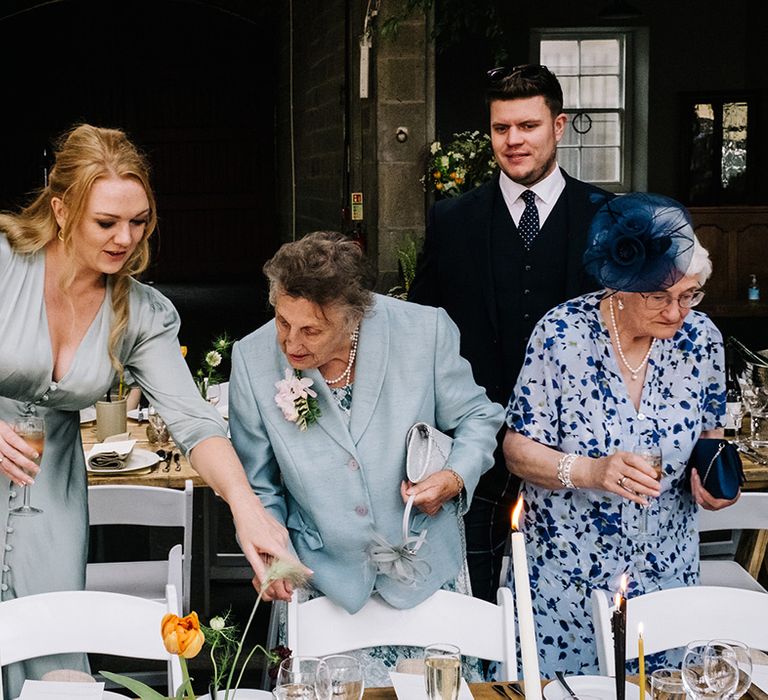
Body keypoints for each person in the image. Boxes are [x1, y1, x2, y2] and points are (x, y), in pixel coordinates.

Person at [0, 124, 303, 695]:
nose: (125, 239)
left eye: (138, 221)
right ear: (61, 210)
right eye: (107, 223)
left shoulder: (141, 312)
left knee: (50, 658)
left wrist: (245, 508)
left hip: (50, 503)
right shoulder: (3, 261)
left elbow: (193, 419)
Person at [228, 231, 504, 685]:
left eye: (311, 330)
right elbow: (261, 484)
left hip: (424, 572)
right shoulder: (252, 358)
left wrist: (455, 475)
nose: (290, 344)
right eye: (282, 322)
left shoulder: (424, 330)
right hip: (322, 579)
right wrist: (273, 559)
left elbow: (479, 417)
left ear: (354, 317)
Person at [503, 192, 738, 677]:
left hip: (666, 570)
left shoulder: (702, 340)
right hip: (568, 576)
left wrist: (708, 477)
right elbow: (516, 451)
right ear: (621, 286)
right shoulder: (562, 334)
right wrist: (589, 470)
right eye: (661, 297)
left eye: (689, 295)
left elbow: (709, 434)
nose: (678, 312)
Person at [409, 64, 613, 602]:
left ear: (559, 126)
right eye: (502, 128)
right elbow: (420, 325)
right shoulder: (452, 220)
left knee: (571, 597)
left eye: (528, 126)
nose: (514, 140)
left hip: (572, 449)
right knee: (469, 596)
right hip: (474, 448)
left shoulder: (604, 218)